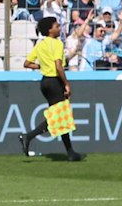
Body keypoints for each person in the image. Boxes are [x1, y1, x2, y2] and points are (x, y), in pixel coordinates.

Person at [18, 15, 83, 160]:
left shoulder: (40, 45)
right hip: (54, 82)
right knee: (58, 116)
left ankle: (71, 153)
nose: (59, 28)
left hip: (45, 82)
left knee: (61, 116)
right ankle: (28, 136)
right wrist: (66, 83)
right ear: (49, 30)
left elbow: (27, 63)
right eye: (56, 26)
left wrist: (42, 66)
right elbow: (59, 67)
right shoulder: (57, 44)